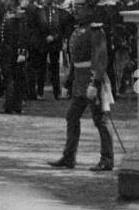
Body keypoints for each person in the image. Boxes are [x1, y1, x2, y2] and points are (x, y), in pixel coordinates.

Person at [49, 9, 115, 171]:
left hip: (91, 80)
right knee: (72, 116)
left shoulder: (96, 31)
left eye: (81, 6)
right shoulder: (77, 30)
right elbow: (74, 62)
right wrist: (68, 82)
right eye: (76, 6)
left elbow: (100, 58)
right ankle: (69, 156)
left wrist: (95, 82)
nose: (77, 11)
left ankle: (107, 159)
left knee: (100, 119)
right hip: (79, 81)